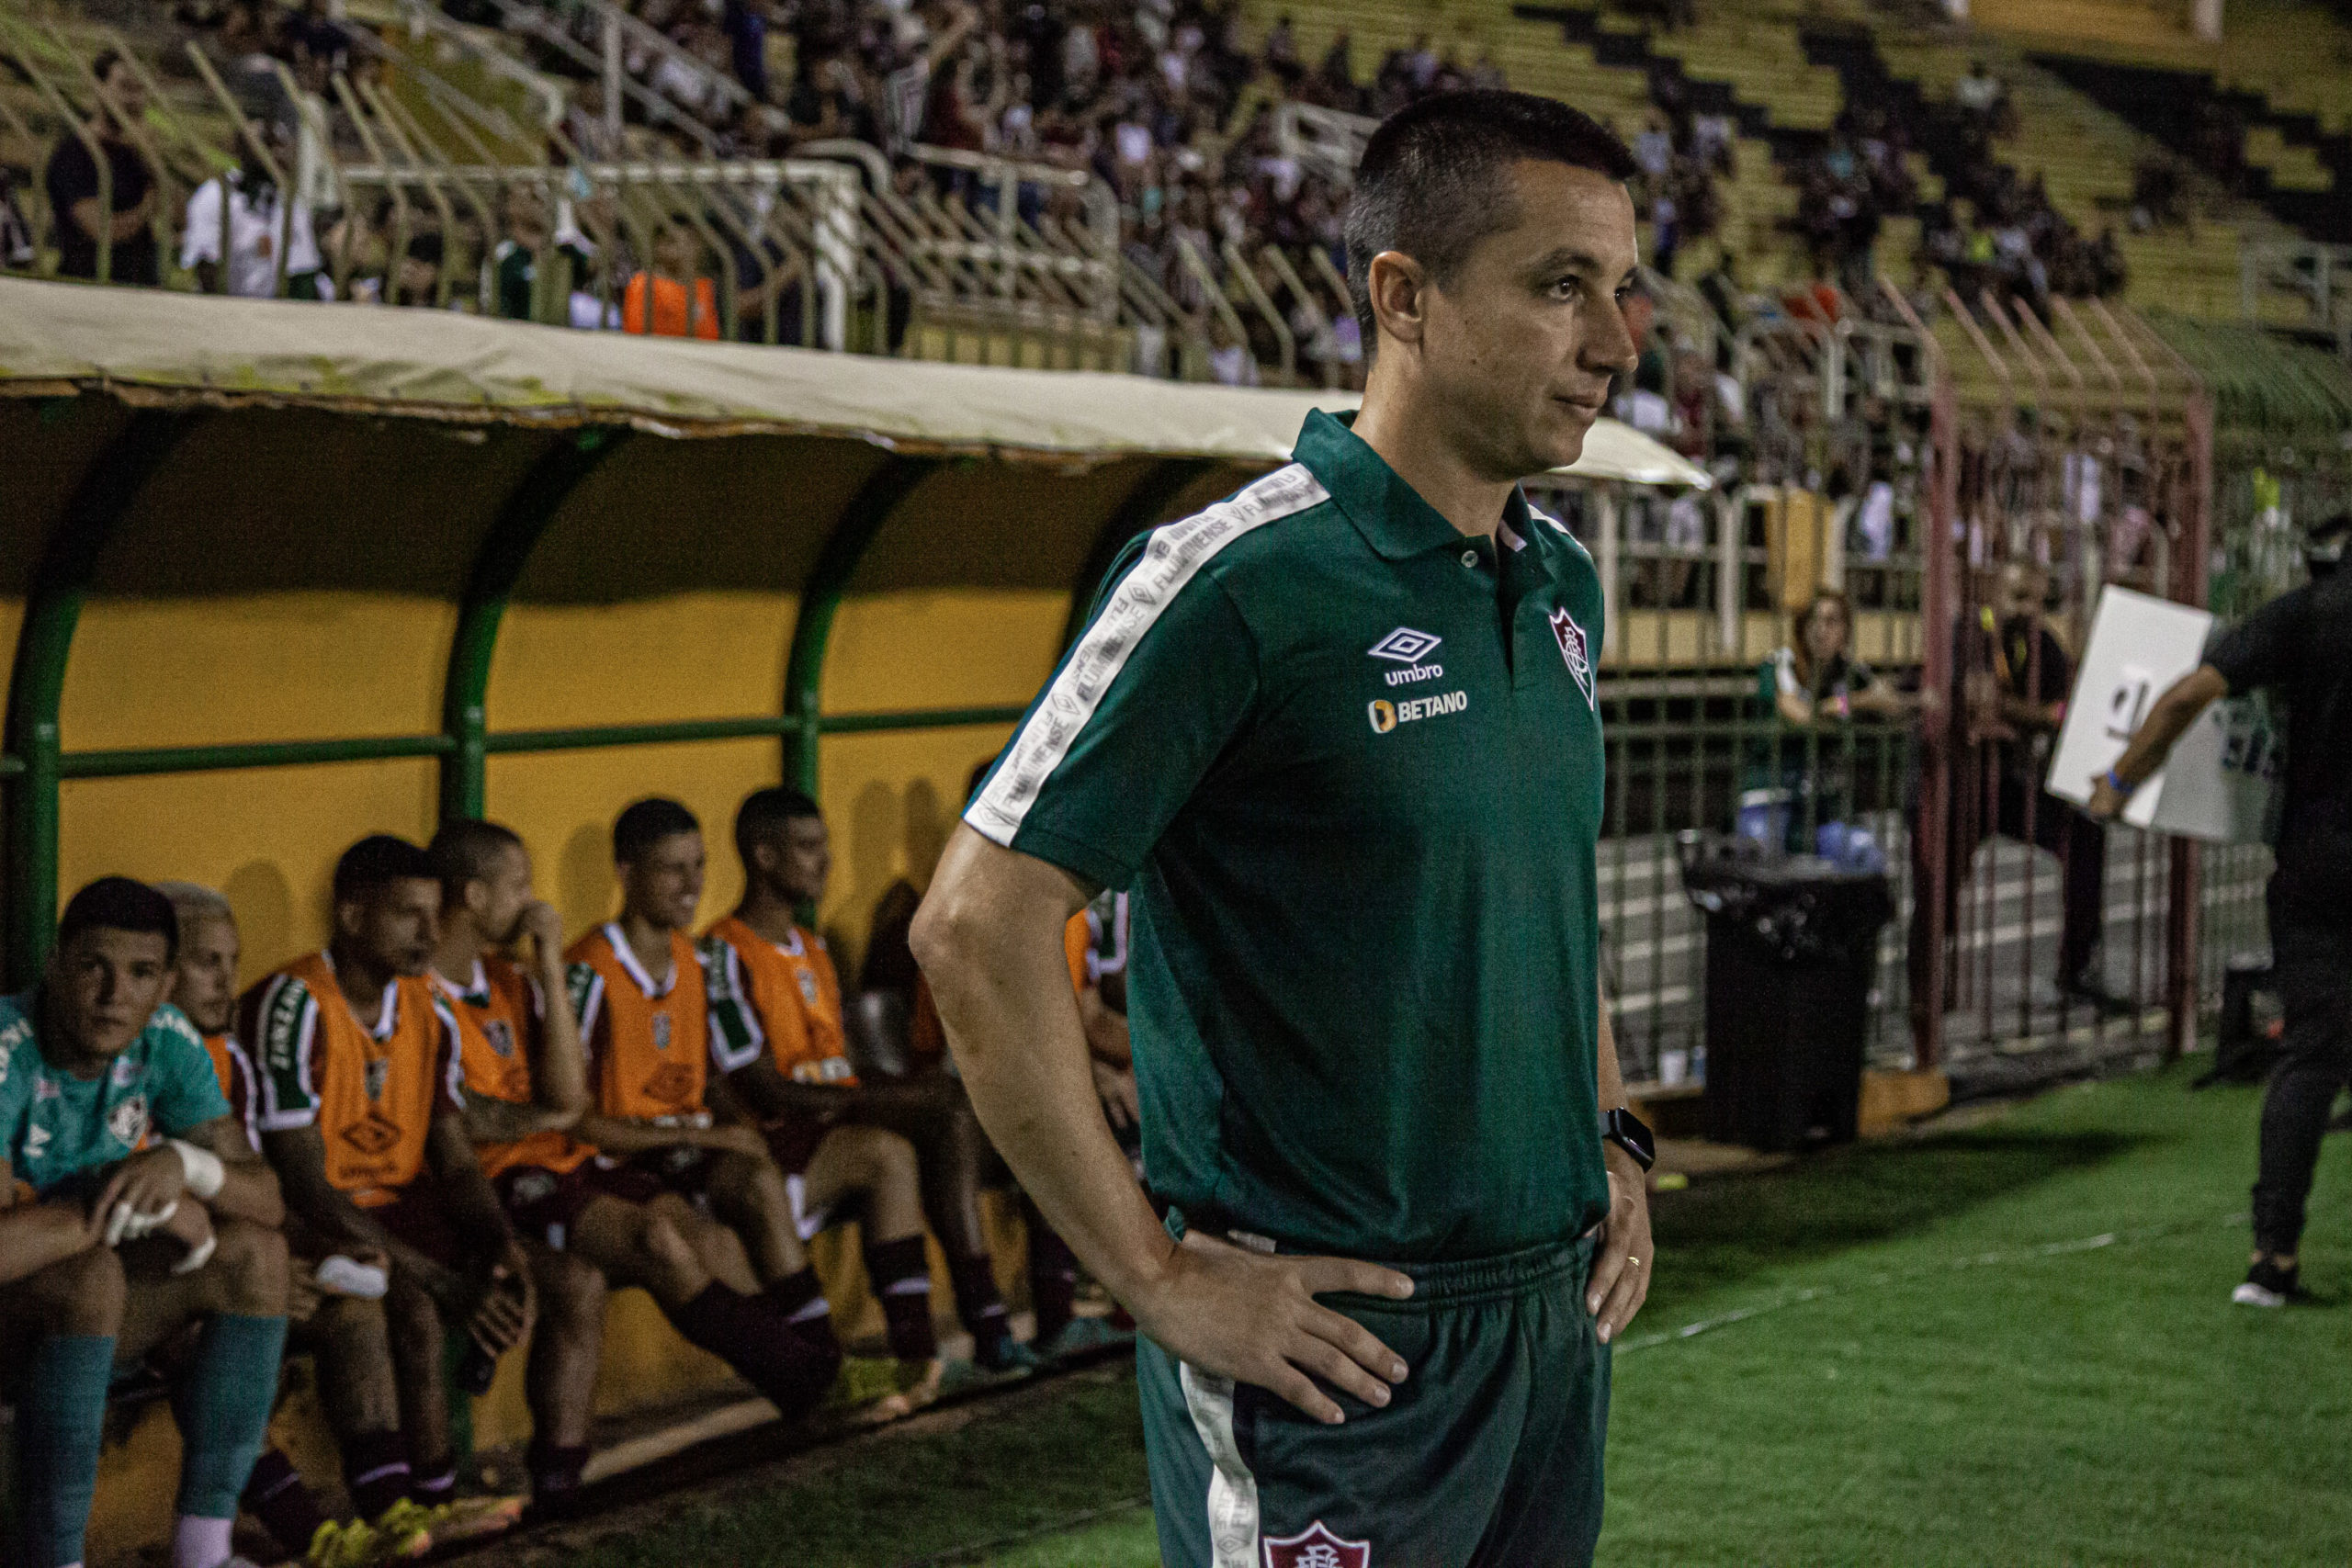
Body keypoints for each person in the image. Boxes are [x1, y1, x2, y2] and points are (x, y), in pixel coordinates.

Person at [914, 91, 1655, 1567]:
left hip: (1549, 1323)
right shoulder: (1236, 579)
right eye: (1561, 285)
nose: (1617, 343)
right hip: (1336, 1352)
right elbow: (972, 923)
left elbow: (1537, 902)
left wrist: (1617, 1135)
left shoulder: (1558, 578)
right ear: (1404, 296)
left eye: (1624, 288)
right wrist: (1159, 1275)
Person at [427, 818, 844, 1478]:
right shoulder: (422, 994)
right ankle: (808, 1379)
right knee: (649, 1242)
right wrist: (547, 1113)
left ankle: (810, 1373)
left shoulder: (512, 979)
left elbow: (566, 1094)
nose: (536, 903)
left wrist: (546, 974)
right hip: (502, 1179)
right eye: (520, 887)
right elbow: (499, 1119)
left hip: (563, 1160)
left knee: (699, 1237)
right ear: (475, 897)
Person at [2088, 514, 2352, 1309]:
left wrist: (2122, 779)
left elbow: (2187, 694)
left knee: (2310, 1056)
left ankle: (2271, 1258)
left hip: (2314, 862)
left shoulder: (2310, 612)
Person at [247, 837, 533, 1545]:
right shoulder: (295, 1004)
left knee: (492, 1275)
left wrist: (500, 1243)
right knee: (407, 1300)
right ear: (350, 916)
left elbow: (456, 1159)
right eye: (408, 915)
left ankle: (434, 1499)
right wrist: (434, 1275)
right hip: (309, 1216)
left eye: (434, 915)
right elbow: (303, 1182)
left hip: (393, 1206)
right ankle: (401, 1507)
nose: (430, 934)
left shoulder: (429, 1010)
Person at [705, 787, 1041, 1382]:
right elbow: (761, 1086)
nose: (825, 860)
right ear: (763, 855)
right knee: (940, 1113)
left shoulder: (812, 947)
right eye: (807, 847)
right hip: (786, 1130)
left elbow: (839, 1058)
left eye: (825, 844)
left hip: (832, 1114)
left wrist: (872, 1096)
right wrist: (867, 1100)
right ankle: (983, 1322)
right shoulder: (724, 953)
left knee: (930, 1124)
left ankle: (928, 1354)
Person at [0, 877, 289, 1568]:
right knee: (92, 1275)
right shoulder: (7, 1046)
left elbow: (266, 1199)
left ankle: (203, 1552)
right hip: (22, 1311)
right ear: (55, 963)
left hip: (67, 1316)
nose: (114, 994)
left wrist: (187, 1166)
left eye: (140, 973)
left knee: (257, 1255)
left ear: (163, 985)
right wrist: (127, 1208)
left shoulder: (165, 1039)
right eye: (93, 966)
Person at [157, 882, 421, 1567]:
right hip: (161, 1283)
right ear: (159, 969)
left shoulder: (227, 1058)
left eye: (232, 959)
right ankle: (315, 1537)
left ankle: (389, 1508)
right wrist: (269, 1278)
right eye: (205, 961)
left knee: (353, 1303)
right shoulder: (131, 1061)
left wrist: (321, 1253)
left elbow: (260, 1192)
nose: (226, 980)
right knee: (201, 1347)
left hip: (239, 1265)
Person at [563, 800, 852, 1402]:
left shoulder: (698, 960)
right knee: (706, 1242)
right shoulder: (587, 972)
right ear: (626, 873)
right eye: (673, 868)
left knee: (755, 1179)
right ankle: (816, 1377)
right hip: (623, 1161)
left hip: (684, 1148)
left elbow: (715, 1075)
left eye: (698, 865)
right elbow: (579, 1119)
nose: (693, 884)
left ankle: (822, 1367)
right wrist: (707, 1135)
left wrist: (736, 1125)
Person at [1759, 587, 1913, 852]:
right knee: (1764, 853)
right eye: (1813, 621)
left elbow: (1892, 704)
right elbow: (1801, 716)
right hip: (1775, 800)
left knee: (1864, 855)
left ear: (1845, 631)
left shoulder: (1849, 669)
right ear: (1801, 627)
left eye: (1831, 621)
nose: (1821, 630)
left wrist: (1847, 702)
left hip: (1828, 808)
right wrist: (1854, 701)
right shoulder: (1781, 664)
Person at [179, 108, 323, 299]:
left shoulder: (289, 203)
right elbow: (207, 269)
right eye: (267, 145)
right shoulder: (215, 195)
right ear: (240, 148)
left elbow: (302, 274)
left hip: (273, 314)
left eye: (282, 146)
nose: (277, 154)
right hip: (227, 308)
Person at [45, 50, 160, 285]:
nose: (133, 100)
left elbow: (182, 218)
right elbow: (102, 230)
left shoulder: (138, 156)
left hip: (140, 290)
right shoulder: (74, 155)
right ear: (99, 88)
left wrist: (154, 162)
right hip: (89, 287)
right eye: (125, 87)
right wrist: (150, 203)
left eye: (140, 89)